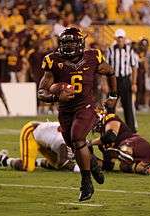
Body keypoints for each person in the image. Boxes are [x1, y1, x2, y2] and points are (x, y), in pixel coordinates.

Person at [38, 27, 117, 201]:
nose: (68, 46)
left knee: (77, 137)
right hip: (65, 110)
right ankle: (93, 161)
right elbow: (41, 92)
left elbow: (110, 71)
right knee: (74, 145)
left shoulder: (93, 56)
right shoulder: (53, 60)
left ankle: (86, 183)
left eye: (72, 42)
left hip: (87, 106)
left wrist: (113, 95)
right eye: (65, 43)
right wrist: (55, 96)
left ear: (80, 43)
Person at [90, 99, 150, 175]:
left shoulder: (110, 117)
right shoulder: (102, 143)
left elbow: (110, 136)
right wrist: (90, 159)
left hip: (138, 145)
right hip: (138, 155)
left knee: (121, 148)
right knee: (125, 167)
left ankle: (122, 153)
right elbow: (108, 166)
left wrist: (89, 143)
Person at [0, 121, 80, 173]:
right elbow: (63, 162)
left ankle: (36, 162)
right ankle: (4, 159)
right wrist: (78, 168)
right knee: (27, 167)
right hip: (31, 132)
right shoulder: (63, 140)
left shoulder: (75, 137)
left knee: (57, 166)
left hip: (46, 140)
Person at [106, 28, 137, 133]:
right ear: (116, 38)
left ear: (124, 39)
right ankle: (109, 128)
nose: (120, 40)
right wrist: (105, 83)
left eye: (121, 38)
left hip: (125, 80)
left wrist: (133, 83)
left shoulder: (130, 50)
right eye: (118, 38)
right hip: (113, 81)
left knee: (128, 106)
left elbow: (134, 67)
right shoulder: (110, 50)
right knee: (111, 106)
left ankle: (131, 130)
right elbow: (106, 67)